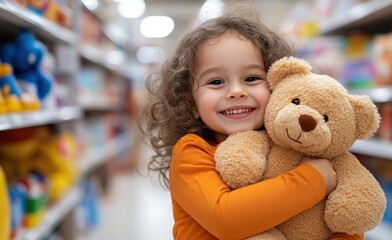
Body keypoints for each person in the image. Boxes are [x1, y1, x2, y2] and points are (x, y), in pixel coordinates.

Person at [141, 6, 365, 240]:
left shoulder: (296, 147)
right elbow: (225, 219)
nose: (236, 91)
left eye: (252, 78)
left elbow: (345, 224)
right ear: (192, 103)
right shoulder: (192, 152)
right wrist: (312, 179)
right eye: (216, 81)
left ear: (278, 85)